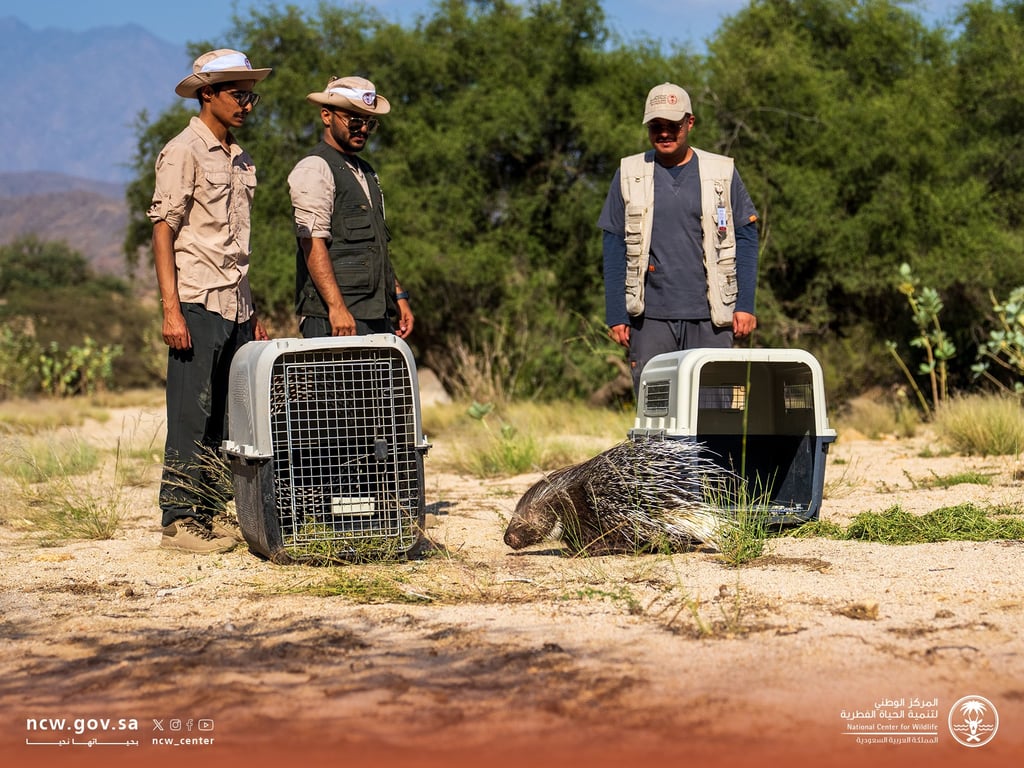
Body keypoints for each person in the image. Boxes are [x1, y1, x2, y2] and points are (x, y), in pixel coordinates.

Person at [148, 48, 272, 553]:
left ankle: (209, 511)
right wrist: (171, 309)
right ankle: (178, 520)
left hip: (236, 305)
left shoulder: (240, 157)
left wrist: (252, 310)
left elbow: (237, 244)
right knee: (190, 413)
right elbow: (163, 230)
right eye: (238, 95)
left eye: (251, 96)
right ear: (208, 94)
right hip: (196, 300)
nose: (246, 105)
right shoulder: (183, 150)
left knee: (225, 414)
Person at [598, 82, 759, 394]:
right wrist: (616, 314)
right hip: (650, 319)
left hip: (712, 317)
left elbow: (747, 238)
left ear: (690, 123)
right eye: (656, 126)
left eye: (672, 125)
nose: (664, 133)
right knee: (656, 409)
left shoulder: (722, 172)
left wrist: (745, 305)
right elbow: (613, 244)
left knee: (713, 407)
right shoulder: (629, 172)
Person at [288, 76, 413, 339]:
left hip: (375, 315)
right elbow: (312, 243)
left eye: (369, 123)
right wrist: (336, 308)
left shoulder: (367, 172)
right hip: (334, 319)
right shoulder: (315, 167)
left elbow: (375, 245)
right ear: (326, 116)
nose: (363, 129)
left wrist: (398, 295)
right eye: (355, 121)